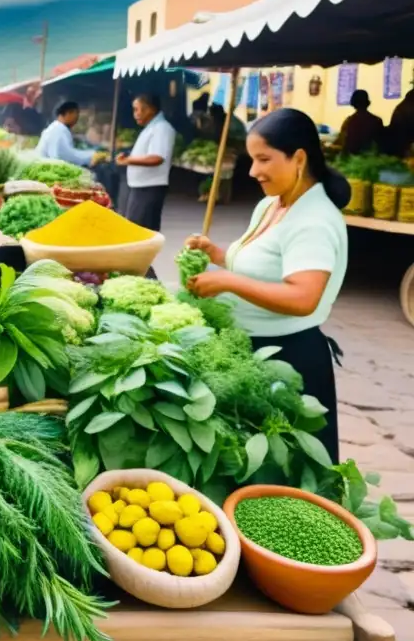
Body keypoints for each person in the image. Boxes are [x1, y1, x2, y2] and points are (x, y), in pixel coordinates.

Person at [186, 108, 349, 464]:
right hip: (253, 353)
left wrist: (228, 281)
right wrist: (216, 254)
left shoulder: (314, 220)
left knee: (287, 472)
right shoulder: (271, 205)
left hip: (290, 358)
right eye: (251, 159)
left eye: (264, 159)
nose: (253, 171)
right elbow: (260, 266)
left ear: (299, 158)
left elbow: (304, 297)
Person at [117, 93, 177, 232]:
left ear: (149, 109)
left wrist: (128, 160)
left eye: (137, 109)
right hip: (141, 186)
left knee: (141, 233)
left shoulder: (162, 128)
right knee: (137, 232)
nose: (135, 114)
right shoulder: (151, 127)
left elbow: (156, 158)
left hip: (149, 188)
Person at [38, 102, 96, 167]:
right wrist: (93, 155)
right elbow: (65, 156)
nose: (76, 119)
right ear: (68, 113)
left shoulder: (57, 127)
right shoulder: (58, 130)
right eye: (76, 115)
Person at [338, 90, 383, 155]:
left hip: (352, 161)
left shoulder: (349, 122)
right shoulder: (376, 121)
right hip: (372, 159)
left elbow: (344, 146)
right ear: (367, 103)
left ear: (353, 104)